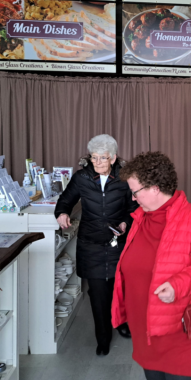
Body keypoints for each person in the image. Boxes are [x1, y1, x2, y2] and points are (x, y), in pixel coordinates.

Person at [111, 151, 191, 380]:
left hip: (181, 327)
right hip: (146, 327)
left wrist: (177, 284)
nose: (133, 197)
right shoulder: (140, 219)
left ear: (155, 188)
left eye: (135, 191)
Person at [54, 134, 136, 356]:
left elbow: (133, 208)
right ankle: (103, 337)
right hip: (91, 242)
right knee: (98, 292)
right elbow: (65, 200)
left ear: (113, 158)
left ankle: (121, 323)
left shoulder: (125, 178)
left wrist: (125, 222)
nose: (98, 162)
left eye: (103, 158)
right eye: (94, 158)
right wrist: (62, 213)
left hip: (118, 241)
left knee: (120, 287)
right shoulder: (82, 178)